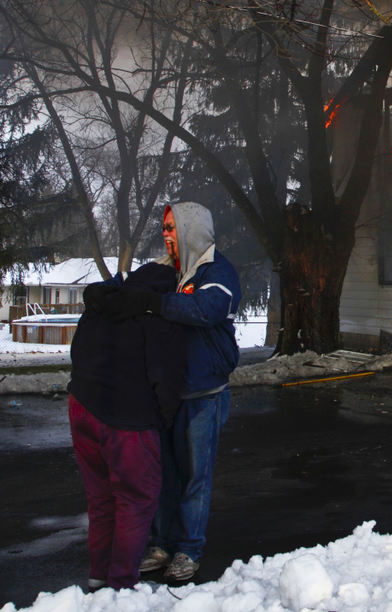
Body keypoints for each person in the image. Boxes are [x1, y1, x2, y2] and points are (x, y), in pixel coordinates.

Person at [99, 202, 242, 583]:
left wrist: (155, 303)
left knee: (196, 476)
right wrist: (109, 292)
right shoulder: (167, 270)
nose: (166, 235)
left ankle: (188, 549)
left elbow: (205, 310)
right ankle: (162, 543)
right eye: (163, 228)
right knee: (163, 474)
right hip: (167, 393)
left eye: (171, 228)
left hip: (204, 393)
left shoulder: (217, 272)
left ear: (191, 229)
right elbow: (134, 288)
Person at [68, 263, 186, 591]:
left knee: (101, 498)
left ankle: (97, 576)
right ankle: (120, 586)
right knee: (135, 500)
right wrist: (162, 420)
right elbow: (167, 380)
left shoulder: (98, 308)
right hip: (129, 422)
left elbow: (77, 354)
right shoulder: (157, 319)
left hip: (82, 408)